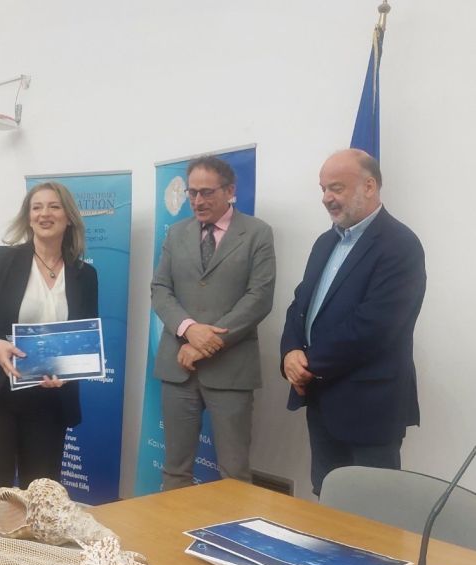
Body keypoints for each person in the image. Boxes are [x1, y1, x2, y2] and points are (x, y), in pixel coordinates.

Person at [0, 182, 98, 530]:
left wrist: (67, 372)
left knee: (42, 494)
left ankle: (29, 561)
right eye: (36, 207)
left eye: (54, 207)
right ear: (28, 218)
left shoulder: (85, 275)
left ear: (69, 217)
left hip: (48, 400)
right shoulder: (2, 260)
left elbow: (84, 336)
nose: (45, 214)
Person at [280, 149, 426, 496]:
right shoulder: (325, 242)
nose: (326, 198)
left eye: (336, 188)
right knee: (327, 497)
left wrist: (308, 363)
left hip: (370, 407)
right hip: (322, 400)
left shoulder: (401, 245)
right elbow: (300, 305)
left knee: (372, 508)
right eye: (323, 189)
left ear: (369, 186)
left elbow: (375, 327)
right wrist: (290, 352)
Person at [151, 155, 276, 489]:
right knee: (175, 469)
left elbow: (259, 298)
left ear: (230, 191)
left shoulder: (257, 233)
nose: (197, 201)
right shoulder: (177, 233)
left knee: (234, 474)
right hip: (178, 368)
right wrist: (189, 329)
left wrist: (206, 344)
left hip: (231, 369)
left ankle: (231, 526)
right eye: (192, 193)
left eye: (206, 192)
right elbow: (160, 289)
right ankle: (171, 526)